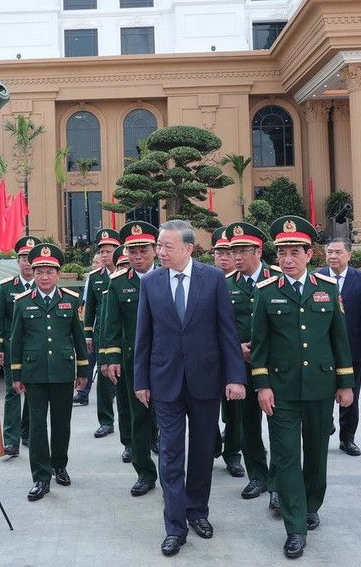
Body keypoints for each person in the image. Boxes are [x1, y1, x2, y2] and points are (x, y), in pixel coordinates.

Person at [133, 219, 246, 556]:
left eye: (167, 246)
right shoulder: (151, 282)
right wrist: (141, 381)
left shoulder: (212, 279)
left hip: (205, 380)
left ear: (188, 248)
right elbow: (144, 336)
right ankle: (174, 525)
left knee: (201, 451)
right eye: (159, 245)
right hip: (165, 380)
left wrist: (235, 377)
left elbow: (227, 332)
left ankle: (197, 511)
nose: (160, 252)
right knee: (169, 453)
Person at [250, 215, 354, 560]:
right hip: (281, 391)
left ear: (311, 255)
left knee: (316, 454)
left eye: (295, 252)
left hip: (321, 388)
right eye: (282, 253)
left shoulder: (328, 288)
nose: (288, 259)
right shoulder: (266, 294)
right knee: (286, 455)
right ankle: (295, 527)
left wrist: (346, 383)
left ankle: (312, 504)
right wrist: (262, 386)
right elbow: (259, 347)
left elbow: (340, 341)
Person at [10, 243, 89, 501]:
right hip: (33, 374)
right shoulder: (22, 303)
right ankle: (41, 477)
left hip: (62, 371)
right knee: (36, 426)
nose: (44, 277)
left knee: (61, 422)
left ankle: (59, 465)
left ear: (58, 273)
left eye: (49, 272)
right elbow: (16, 341)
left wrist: (82, 370)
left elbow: (78, 339)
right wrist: (16, 375)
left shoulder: (71, 300)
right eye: (39, 272)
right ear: (33, 273)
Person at [101, 221, 161, 496]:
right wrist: (110, 357)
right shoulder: (118, 284)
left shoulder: (169, 277)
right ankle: (144, 472)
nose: (138, 256)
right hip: (134, 360)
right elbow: (110, 324)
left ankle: (172, 471)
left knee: (168, 414)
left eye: (143, 250)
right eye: (133, 251)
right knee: (138, 416)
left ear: (155, 250)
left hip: (167, 359)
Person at [224, 222, 281, 504]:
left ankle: (279, 484)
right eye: (233, 250)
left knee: (280, 425)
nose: (236, 256)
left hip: (276, 366)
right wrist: (237, 348)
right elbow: (220, 326)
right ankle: (257, 475)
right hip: (242, 366)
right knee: (248, 424)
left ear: (258, 251)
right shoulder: (226, 285)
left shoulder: (279, 278)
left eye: (243, 250)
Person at [317, 239, 361, 457]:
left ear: (349, 255)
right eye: (329, 252)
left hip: (352, 347)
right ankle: (324, 429)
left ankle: (347, 438)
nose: (333, 256)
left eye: (338, 252)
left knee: (351, 393)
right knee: (322, 392)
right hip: (322, 348)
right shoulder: (317, 276)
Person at [83, 229, 132, 459]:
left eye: (108, 251)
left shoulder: (128, 274)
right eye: (101, 251)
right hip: (104, 335)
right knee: (104, 380)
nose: (104, 255)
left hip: (128, 336)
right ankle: (106, 420)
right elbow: (90, 309)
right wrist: (88, 335)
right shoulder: (95, 277)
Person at [0, 235, 40, 456]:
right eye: (23, 258)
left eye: (31, 258)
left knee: (32, 392)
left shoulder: (44, 286)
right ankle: (11, 440)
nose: (27, 262)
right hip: (13, 349)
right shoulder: (6, 287)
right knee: (12, 392)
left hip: (36, 349)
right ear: (17, 261)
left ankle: (28, 433)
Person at [212, 226, 240, 471]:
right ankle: (213, 441)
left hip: (241, 356)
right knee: (208, 405)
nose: (223, 257)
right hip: (211, 357)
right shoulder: (208, 281)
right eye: (218, 253)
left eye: (228, 252)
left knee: (234, 411)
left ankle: (233, 454)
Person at [74, 253, 105, 408]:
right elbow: (86, 306)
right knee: (88, 360)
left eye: (96, 262)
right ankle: (82, 393)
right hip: (93, 328)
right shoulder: (92, 278)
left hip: (106, 330)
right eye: (93, 261)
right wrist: (86, 333)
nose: (94, 264)